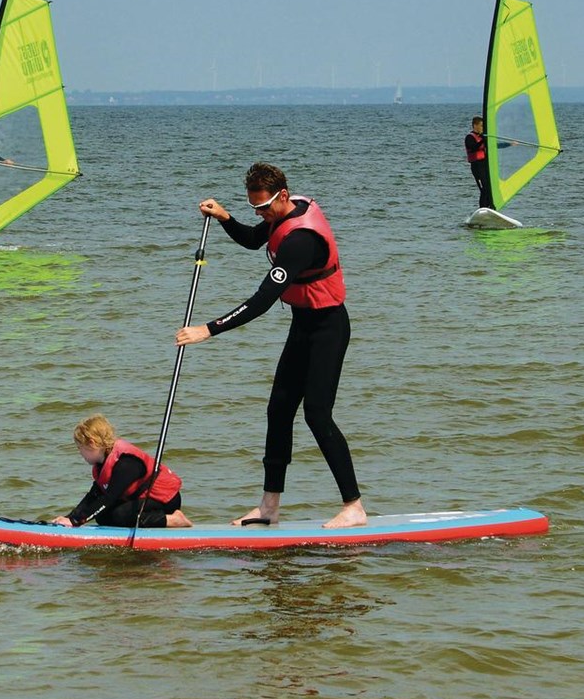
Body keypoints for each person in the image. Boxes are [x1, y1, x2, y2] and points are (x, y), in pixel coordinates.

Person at [174, 162, 367, 529]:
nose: (259, 214)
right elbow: (252, 239)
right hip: (303, 324)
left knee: (317, 414)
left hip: (328, 328)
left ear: (282, 196)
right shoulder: (282, 211)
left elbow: (262, 300)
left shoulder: (301, 240)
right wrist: (225, 217)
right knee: (278, 410)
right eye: (254, 207)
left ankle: (354, 507)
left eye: (262, 207)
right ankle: (269, 507)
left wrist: (208, 330)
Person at [50, 415, 192, 528]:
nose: (80, 452)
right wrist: (70, 518)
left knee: (119, 515)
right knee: (102, 516)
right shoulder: (102, 464)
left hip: (166, 500)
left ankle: (173, 520)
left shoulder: (125, 463)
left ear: (92, 443)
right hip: (142, 500)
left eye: (80, 447)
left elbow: (109, 498)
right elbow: (93, 496)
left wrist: (76, 521)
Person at [465, 115, 491, 209]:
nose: (483, 128)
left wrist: (509, 144)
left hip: (485, 165)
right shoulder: (469, 137)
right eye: (481, 126)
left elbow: (494, 145)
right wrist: (482, 140)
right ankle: (482, 208)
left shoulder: (483, 137)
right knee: (484, 188)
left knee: (489, 188)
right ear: (475, 125)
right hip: (476, 166)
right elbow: (473, 147)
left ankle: (489, 206)